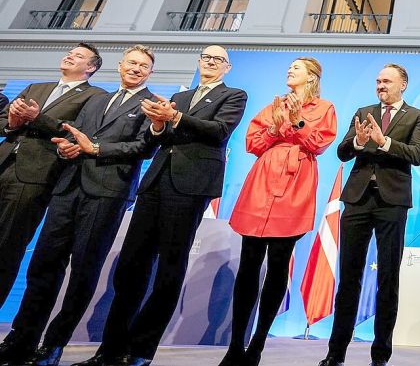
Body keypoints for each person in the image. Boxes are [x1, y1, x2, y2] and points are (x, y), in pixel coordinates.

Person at [74, 46, 247, 366]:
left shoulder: (233, 95)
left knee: (169, 268)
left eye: (218, 59)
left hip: (190, 186)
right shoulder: (179, 97)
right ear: (199, 62)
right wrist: (157, 124)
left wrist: (175, 118)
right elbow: (156, 139)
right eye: (206, 57)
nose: (211, 62)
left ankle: (140, 351)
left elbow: (219, 131)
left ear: (227, 67)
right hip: (155, 183)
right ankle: (110, 350)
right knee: (130, 267)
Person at [3, 45, 158, 366]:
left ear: (150, 73)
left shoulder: (151, 104)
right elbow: (76, 136)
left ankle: (53, 346)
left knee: (83, 273)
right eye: (131, 63)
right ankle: (21, 341)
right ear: (120, 66)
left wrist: (95, 148)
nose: (136, 69)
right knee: (43, 266)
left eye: (143, 66)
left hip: (107, 193)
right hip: (68, 187)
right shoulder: (97, 99)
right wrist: (68, 147)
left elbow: (143, 147)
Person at [220, 57, 337, 366]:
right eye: (289, 67)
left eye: (296, 68)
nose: (290, 70)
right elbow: (253, 143)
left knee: (278, 263)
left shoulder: (324, 108)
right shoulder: (275, 105)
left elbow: (318, 144)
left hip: (296, 183)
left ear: (311, 77)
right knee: (249, 263)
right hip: (263, 179)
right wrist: (273, 128)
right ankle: (235, 345)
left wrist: (298, 121)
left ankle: (258, 343)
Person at [320, 64, 420, 366]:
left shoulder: (417, 116)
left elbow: (418, 154)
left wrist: (385, 143)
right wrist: (358, 142)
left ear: (402, 84)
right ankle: (335, 354)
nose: (380, 85)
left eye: (387, 81)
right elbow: (343, 151)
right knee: (348, 278)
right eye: (378, 81)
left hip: (392, 202)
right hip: (357, 199)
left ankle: (380, 356)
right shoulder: (363, 111)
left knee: (388, 279)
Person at [0, 43, 105, 316]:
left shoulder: (94, 96)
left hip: (34, 177)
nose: (70, 56)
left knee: (7, 246)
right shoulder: (35, 87)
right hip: (4, 163)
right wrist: (12, 123)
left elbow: (76, 133)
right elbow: (3, 121)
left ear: (91, 67)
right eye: (70, 52)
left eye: (78, 56)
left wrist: (37, 118)